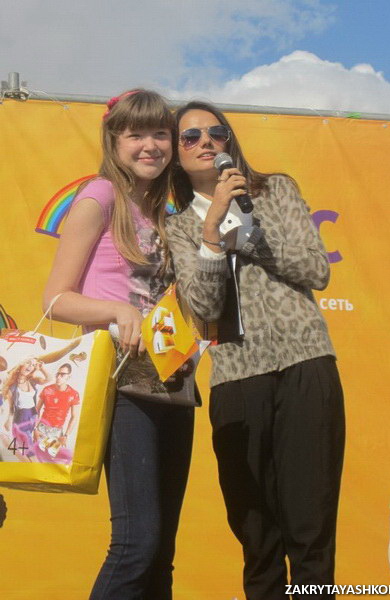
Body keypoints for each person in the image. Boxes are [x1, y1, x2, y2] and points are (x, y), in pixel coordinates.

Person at [167, 101, 345, 600]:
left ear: (230, 140)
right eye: (190, 137)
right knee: (257, 536)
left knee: (310, 529)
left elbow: (316, 270)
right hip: (236, 379)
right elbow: (203, 308)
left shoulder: (276, 189)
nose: (206, 141)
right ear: (178, 156)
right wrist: (212, 235)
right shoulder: (178, 226)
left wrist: (250, 241)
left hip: (306, 363)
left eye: (216, 132)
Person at [43, 89, 194, 600]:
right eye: (136, 134)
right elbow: (56, 299)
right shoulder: (100, 195)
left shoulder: (166, 210)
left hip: (172, 382)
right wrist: (117, 311)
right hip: (120, 382)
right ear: (114, 140)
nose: (150, 145)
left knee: (162, 554)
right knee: (136, 544)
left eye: (160, 134)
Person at [2, 357, 50, 460]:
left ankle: (29, 464)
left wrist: (42, 368)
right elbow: (11, 407)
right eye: (28, 363)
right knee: (30, 452)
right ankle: (32, 465)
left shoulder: (32, 381)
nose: (30, 366)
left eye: (33, 365)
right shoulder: (13, 385)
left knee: (31, 449)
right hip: (22, 419)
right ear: (21, 365)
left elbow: (49, 379)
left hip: (32, 417)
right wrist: (8, 421)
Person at [33, 362, 80, 462]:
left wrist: (66, 435)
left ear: (69, 376)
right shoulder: (47, 390)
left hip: (57, 432)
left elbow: (74, 417)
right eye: (58, 374)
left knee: (51, 461)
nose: (58, 377)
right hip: (41, 429)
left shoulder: (73, 394)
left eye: (62, 374)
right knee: (37, 459)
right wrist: (35, 429)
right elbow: (37, 410)